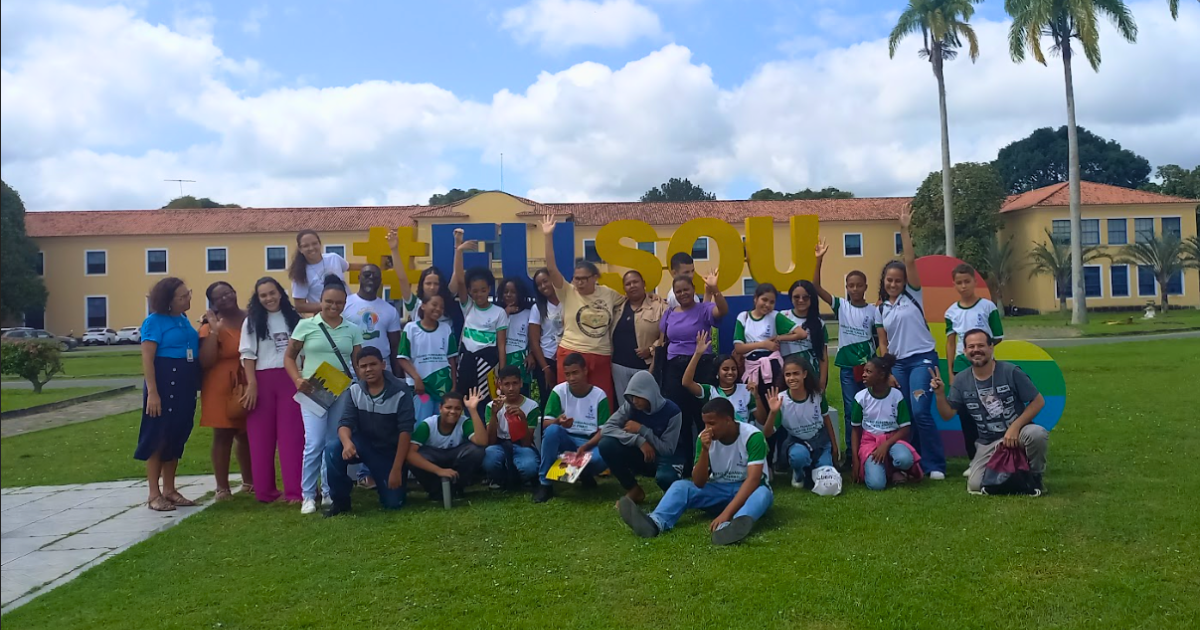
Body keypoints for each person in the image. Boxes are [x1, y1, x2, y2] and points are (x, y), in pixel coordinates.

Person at [617, 398, 773, 546]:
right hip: (718, 490)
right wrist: (705, 451)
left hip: (748, 491)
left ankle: (731, 526)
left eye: (712, 423)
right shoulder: (702, 439)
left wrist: (726, 514)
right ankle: (655, 522)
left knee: (763, 494)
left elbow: (753, 480)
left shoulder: (753, 436)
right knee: (681, 486)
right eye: (705, 423)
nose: (707, 429)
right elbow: (698, 482)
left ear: (728, 420)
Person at [874, 205, 945, 479]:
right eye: (890, 280)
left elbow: (911, 261)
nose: (894, 284)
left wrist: (904, 228)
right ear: (885, 282)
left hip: (922, 360)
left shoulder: (914, 294)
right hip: (899, 366)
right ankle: (910, 463)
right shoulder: (881, 308)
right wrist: (888, 370)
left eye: (898, 280)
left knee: (920, 412)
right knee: (903, 416)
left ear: (905, 282)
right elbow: (884, 343)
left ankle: (935, 465)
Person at [931, 329, 1048, 495]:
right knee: (976, 485)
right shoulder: (961, 380)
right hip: (988, 442)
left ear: (991, 347)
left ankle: (1035, 477)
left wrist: (1015, 428)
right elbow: (947, 414)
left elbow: (1038, 401)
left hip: (1018, 433)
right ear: (964, 351)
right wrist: (940, 395)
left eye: (981, 345)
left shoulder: (1010, 371)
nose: (976, 350)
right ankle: (1016, 477)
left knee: (1037, 434)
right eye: (971, 346)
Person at [284, 275, 364, 515]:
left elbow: (358, 362)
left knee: (333, 443)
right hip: (314, 389)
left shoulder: (353, 329)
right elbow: (289, 356)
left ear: (345, 303)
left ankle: (329, 491)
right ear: (320, 301)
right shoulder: (306, 326)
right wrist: (297, 378)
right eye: (329, 302)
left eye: (339, 303)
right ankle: (308, 494)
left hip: (342, 388)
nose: (333, 307)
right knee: (314, 442)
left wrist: (359, 386)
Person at [812, 237, 885, 464]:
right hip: (846, 366)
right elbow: (816, 287)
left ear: (865, 287)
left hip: (869, 366)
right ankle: (851, 453)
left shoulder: (874, 310)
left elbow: (882, 340)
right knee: (850, 408)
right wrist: (819, 260)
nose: (854, 288)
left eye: (858, 285)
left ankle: (869, 447)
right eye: (850, 285)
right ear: (847, 288)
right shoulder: (841, 305)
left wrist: (884, 367)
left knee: (870, 407)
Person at [323, 347, 416, 517]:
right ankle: (340, 501)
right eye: (363, 366)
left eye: (373, 364)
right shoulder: (355, 390)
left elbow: (405, 432)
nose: (368, 369)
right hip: (362, 444)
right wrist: (347, 443)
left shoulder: (401, 391)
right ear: (357, 369)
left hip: (388, 451)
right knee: (332, 449)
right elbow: (345, 423)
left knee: (393, 503)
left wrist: (396, 469)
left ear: (383, 364)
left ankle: (389, 481)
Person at [541, 213, 623, 402]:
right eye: (576, 278)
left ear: (595, 278)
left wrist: (653, 298)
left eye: (584, 279)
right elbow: (552, 269)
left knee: (602, 401)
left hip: (601, 355)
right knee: (569, 400)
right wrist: (547, 236)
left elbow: (630, 301)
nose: (579, 282)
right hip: (571, 351)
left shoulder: (608, 293)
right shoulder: (567, 291)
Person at [136, 278, 201, 511]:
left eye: (188, 294)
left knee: (177, 435)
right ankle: (154, 493)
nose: (188, 299)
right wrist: (152, 392)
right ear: (169, 301)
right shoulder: (154, 322)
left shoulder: (184, 321)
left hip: (185, 384)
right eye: (182, 296)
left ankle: (170, 489)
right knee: (158, 436)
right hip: (164, 382)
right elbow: (148, 358)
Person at [238, 277, 304, 503]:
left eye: (272, 293)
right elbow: (247, 354)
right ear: (257, 298)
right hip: (261, 380)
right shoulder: (252, 321)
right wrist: (252, 384)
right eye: (263, 295)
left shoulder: (294, 318)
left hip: (290, 379)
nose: (269, 298)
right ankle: (265, 492)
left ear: (281, 293)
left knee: (293, 438)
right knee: (260, 439)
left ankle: (295, 492)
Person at [660, 271, 727, 473]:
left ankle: (708, 461)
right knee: (680, 416)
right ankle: (686, 463)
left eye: (686, 290)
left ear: (693, 290)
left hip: (700, 365)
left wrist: (714, 289)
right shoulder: (669, 313)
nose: (682, 294)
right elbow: (663, 338)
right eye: (678, 291)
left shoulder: (704, 309)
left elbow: (722, 310)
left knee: (703, 414)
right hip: (674, 368)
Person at [199, 281, 253, 501]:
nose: (225, 298)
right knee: (223, 433)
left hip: (249, 379)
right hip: (220, 384)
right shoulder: (210, 325)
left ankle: (250, 481)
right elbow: (206, 360)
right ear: (212, 303)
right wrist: (213, 329)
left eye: (228, 293)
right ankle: (222, 487)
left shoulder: (252, 317)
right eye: (218, 297)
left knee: (248, 434)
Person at [944, 264, 1005, 458]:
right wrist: (951, 373)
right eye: (959, 283)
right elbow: (950, 344)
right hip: (962, 368)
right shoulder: (951, 312)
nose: (964, 286)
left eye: (967, 282)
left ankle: (997, 454)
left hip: (986, 369)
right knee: (966, 414)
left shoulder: (988, 306)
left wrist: (981, 352)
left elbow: (997, 336)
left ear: (975, 282)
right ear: (954, 284)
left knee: (990, 410)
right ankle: (974, 459)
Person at [533, 353, 611, 503]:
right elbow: (546, 425)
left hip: (589, 443)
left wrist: (586, 446)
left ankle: (584, 474)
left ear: (585, 371)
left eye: (575, 373)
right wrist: (558, 421)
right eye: (567, 374)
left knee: (601, 457)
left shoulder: (599, 395)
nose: (571, 378)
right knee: (552, 431)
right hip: (567, 441)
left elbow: (604, 430)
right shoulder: (559, 391)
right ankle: (545, 484)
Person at [598, 370, 684, 506]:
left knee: (665, 478)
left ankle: (675, 496)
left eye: (638, 396)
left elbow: (668, 449)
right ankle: (634, 489)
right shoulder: (631, 406)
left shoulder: (673, 412)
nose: (634, 400)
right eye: (631, 396)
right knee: (606, 445)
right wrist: (639, 441)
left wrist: (641, 430)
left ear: (650, 393)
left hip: (667, 458)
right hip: (642, 455)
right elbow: (607, 429)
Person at [449, 228, 508, 408]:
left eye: (483, 290)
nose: (479, 294)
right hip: (466, 364)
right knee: (464, 405)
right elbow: (460, 280)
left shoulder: (499, 312)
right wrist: (458, 250)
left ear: (489, 288)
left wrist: (502, 373)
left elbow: (501, 345)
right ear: (469, 292)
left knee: (487, 406)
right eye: (475, 291)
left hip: (488, 366)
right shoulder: (468, 306)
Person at [851, 354, 923, 491]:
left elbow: (905, 428)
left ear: (881, 375)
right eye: (864, 371)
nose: (864, 375)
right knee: (876, 485)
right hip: (870, 442)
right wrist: (855, 460)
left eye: (869, 372)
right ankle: (886, 470)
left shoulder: (896, 396)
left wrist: (885, 445)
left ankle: (897, 469)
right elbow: (855, 429)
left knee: (904, 459)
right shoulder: (860, 398)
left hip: (893, 440)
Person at [766, 356, 838, 489]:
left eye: (796, 373)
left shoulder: (817, 395)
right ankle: (798, 472)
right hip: (797, 442)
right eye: (788, 375)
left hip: (820, 441)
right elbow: (767, 432)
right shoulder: (781, 399)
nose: (792, 378)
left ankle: (813, 466)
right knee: (798, 456)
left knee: (827, 475)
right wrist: (773, 412)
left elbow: (826, 419)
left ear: (804, 374)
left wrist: (834, 446)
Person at [406, 389, 488, 501]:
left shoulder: (464, 422)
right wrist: (439, 470)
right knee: (417, 457)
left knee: (476, 451)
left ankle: (457, 489)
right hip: (434, 459)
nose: (453, 411)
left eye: (457, 408)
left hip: (455, 459)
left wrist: (473, 410)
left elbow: (482, 442)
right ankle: (435, 491)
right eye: (448, 407)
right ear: (440, 408)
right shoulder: (428, 425)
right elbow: (410, 454)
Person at [388, 229, 464, 336]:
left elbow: (457, 274)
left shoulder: (446, 301)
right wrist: (394, 250)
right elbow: (402, 279)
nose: (432, 287)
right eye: (428, 283)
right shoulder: (415, 304)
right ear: (422, 285)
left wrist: (458, 245)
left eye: (436, 284)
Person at [733, 282, 805, 396]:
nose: (767, 304)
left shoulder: (775, 316)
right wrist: (763, 344)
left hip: (773, 366)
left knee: (774, 401)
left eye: (772, 302)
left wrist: (779, 338)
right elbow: (739, 348)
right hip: (752, 367)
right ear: (756, 299)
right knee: (755, 402)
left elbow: (801, 333)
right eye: (764, 300)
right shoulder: (744, 317)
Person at [396, 293, 459, 422]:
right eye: (434, 305)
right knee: (422, 420)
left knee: (440, 421)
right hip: (421, 389)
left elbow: (451, 360)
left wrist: (453, 385)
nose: (438, 309)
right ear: (423, 306)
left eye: (441, 307)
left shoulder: (446, 329)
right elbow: (402, 358)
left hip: (442, 388)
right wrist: (416, 378)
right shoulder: (411, 328)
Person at [682, 330, 764, 427]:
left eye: (733, 369)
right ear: (717, 373)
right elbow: (686, 382)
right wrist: (697, 354)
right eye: (725, 369)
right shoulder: (710, 392)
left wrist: (757, 396)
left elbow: (762, 420)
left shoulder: (746, 390)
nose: (730, 372)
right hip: (718, 439)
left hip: (743, 439)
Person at [482, 366, 542, 489]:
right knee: (488, 458)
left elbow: (526, 442)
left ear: (521, 383)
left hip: (521, 445)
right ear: (500, 385)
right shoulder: (491, 406)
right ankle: (499, 477)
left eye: (515, 383)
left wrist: (522, 419)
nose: (511, 388)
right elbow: (491, 441)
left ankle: (518, 478)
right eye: (506, 384)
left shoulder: (532, 406)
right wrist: (494, 414)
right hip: (499, 444)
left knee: (530, 466)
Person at [611, 270, 666, 402]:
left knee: (646, 404)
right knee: (624, 407)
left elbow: (667, 335)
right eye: (628, 284)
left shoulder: (660, 307)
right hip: (618, 367)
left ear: (644, 284)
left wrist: (651, 349)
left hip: (646, 367)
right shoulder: (617, 307)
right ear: (624, 288)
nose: (632, 285)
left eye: (635, 282)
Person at [342, 263, 403, 374]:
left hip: (383, 368)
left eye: (375, 276)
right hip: (352, 369)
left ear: (380, 280)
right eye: (366, 275)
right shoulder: (344, 304)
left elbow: (395, 346)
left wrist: (398, 376)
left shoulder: (390, 310)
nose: (370, 278)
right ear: (359, 278)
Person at [289, 230, 359, 314]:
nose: (311, 248)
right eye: (306, 246)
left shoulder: (333, 258)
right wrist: (327, 305)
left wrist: (376, 265)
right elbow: (300, 306)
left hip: (351, 312)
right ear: (300, 249)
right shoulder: (299, 274)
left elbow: (351, 267)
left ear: (319, 244)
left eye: (314, 243)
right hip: (327, 319)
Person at [779, 280, 830, 393]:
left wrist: (822, 382)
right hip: (787, 373)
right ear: (791, 297)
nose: (801, 300)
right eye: (796, 297)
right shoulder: (782, 316)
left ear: (812, 298)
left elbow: (823, 356)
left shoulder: (819, 323)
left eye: (805, 297)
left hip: (810, 374)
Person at [528, 267, 563, 409]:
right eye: (539, 284)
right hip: (547, 359)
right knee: (548, 403)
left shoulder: (568, 302)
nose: (543, 286)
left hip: (567, 358)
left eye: (545, 281)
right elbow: (534, 342)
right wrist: (546, 369)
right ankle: (546, 431)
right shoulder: (537, 308)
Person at [498, 276, 535, 394]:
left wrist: (532, 354)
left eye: (513, 292)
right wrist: (505, 313)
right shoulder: (497, 313)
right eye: (506, 292)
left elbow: (535, 338)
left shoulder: (529, 313)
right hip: (501, 361)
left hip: (521, 362)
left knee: (523, 396)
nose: (509, 295)